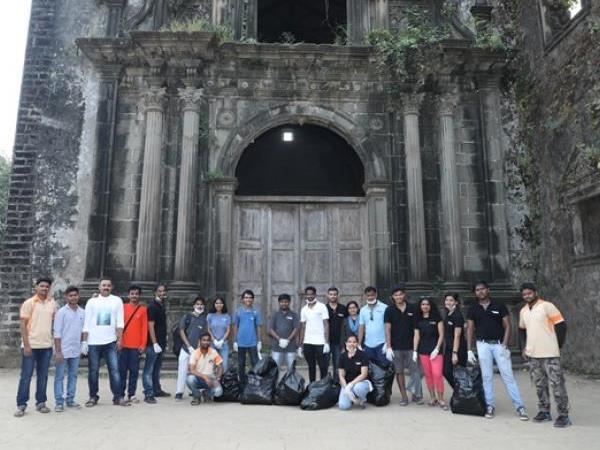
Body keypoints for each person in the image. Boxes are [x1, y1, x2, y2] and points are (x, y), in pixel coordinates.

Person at [467, 280, 528, 420]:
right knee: (487, 377)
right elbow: (470, 329)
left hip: (499, 344)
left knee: (508, 376)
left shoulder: (499, 305)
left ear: (488, 290)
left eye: (482, 289)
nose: (480, 292)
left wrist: (505, 346)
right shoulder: (473, 308)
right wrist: (470, 350)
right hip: (482, 345)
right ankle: (490, 405)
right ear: (475, 293)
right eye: (477, 290)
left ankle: (520, 407)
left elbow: (507, 326)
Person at [518, 282, 571, 427]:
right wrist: (524, 347)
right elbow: (521, 330)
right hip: (533, 354)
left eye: (529, 293)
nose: (527, 296)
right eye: (524, 294)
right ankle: (544, 411)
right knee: (540, 384)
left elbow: (561, 325)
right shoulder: (523, 311)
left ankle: (563, 415)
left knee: (557, 384)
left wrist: (557, 345)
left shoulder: (547, 306)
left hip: (550, 354)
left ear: (535, 292)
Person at [81, 279, 129, 407]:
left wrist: (119, 339)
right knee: (93, 370)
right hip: (93, 341)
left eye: (108, 285)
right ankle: (93, 396)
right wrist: (84, 341)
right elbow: (86, 323)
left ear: (111, 287)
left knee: (114, 370)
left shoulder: (117, 301)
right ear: (99, 287)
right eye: (103, 285)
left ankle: (118, 397)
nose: (106, 287)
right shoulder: (92, 302)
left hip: (110, 341)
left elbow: (120, 322)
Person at [15, 278, 57, 417]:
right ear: (36, 287)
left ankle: (41, 403)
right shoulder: (29, 303)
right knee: (26, 376)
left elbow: (55, 323)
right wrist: (26, 345)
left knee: (43, 376)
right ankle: (21, 405)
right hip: (31, 346)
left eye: (46, 286)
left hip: (46, 346)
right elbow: (22, 325)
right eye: (42, 286)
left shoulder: (52, 303)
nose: (44, 288)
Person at [383, 284, 423, 406]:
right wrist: (389, 346)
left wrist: (416, 349)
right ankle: (404, 397)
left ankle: (416, 394)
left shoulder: (413, 308)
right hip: (396, 347)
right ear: (392, 297)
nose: (398, 296)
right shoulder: (389, 310)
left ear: (404, 295)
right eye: (396, 295)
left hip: (411, 346)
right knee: (399, 372)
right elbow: (387, 329)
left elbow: (416, 329)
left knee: (416, 372)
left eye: (400, 294)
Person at [53, 285, 85, 412]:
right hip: (63, 350)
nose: (73, 297)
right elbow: (57, 333)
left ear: (78, 296)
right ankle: (59, 402)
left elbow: (83, 331)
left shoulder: (83, 312)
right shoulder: (61, 312)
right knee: (59, 376)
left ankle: (70, 400)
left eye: (75, 295)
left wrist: (83, 345)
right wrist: (58, 351)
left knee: (73, 376)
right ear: (66, 297)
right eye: (70, 295)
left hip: (76, 350)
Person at [413, 297, 447, 409]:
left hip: (436, 352)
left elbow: (441, 335)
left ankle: (441, 398)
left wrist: (437, 348)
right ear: (420, 306)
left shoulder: (437, 319)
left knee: (437, 374)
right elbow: (416, 336)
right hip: (423, 351)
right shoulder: (418, 320)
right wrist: (414, 351)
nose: (425, 306)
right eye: (423, 304)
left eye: (427, 304)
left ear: (430, 306)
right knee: (428, 375)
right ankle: (433, 398)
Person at [175, 296, 208, 401]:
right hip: (185, 348)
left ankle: (195, 391)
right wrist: (189, 346)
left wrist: (198, 348)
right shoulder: (187, 317)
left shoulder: (204, 320)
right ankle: (179, 392)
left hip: (198, 350)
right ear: (194, 306)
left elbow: (203, 335)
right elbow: (181, 331)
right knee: (182, 370)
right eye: (198, 304)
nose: (199, 306)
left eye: (201, 304)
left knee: (197, 371)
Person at [118, 285, 147, 404]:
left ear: (139, 295)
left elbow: (144, 328)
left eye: (136, 294)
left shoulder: (143, 310)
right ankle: (120, 394)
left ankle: (132, 394)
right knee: (122, 371)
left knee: (134, 371)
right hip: (123, 345)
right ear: (128, 295)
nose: (134, 296)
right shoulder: (122, 307)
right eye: (132, 293)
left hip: (136, 346)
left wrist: (143, 344)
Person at [143, 283, 169, 403]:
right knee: (149, 369)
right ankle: (148, 393)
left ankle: (156, 389)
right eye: (160, 291)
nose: (162, 293)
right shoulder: (152, 306)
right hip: (154, 343)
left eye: (164, 291)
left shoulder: (161, 305)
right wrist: (154, 343)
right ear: (155, 292)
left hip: (161, 342)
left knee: (156, 368)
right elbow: (150, 325)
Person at [298, 286, 330, 383]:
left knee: (322, 366)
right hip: (308, 342)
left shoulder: (322, 306)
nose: (310, 296)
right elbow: (303, 327)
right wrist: (300, 345)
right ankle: (312, 387)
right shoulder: (304, 309)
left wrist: (326, 342)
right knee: (311, 366)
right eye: (308, 294)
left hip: (320, 342)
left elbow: (326, 324)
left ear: (315, 295)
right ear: (305, 295)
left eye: (312, 294)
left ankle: (323, 387)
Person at [232, 289, 262, 383]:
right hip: (241, 342)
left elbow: (258, 327)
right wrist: (235, 341)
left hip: (253, 342)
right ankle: (242, 382)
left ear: (253, 299)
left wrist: (259, 341)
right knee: (241, 364)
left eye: (250, 297)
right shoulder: (238, 312)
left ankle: (255, 382)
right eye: (246, 297)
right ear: (242, 299)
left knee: (255, 363)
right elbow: (235, 326)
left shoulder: (256, 312)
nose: (248, 299)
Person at [186, 332, 224, 405]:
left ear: (210, 342)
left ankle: (206, 393)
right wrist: (205, 377)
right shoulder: (195, 353)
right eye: (204, 340)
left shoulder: (214, 352)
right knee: (190, 379)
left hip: (210, 379)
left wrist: (217, 378)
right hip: (198, 378)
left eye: (208, 340)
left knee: (219, 392)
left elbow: (220, 367)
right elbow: (192, 370)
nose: (206, 342)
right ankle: (196, 396)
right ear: (200, 341)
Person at [338, 335, 372, 410]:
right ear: (346, 343)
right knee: (343, 406)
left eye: (354, 342)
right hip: (347, 384)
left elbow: (364, 374)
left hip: (360, 383)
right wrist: (346, 388)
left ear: (357, 344)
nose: (352, 344)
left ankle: (362, 399)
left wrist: (351, 384)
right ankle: (352, 397)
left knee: (358, 388)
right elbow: (341, 375)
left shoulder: (363, 355)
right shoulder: (342, 356)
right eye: (349, 342)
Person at [442, 292, 467, 389]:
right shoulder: (448, 314)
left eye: (451, 300)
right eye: (447, 300)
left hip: (458, 349)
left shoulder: (457, 316)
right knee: (446, 371)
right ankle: (459, 392)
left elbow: (457, 335)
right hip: (449, 348)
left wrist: (455, 353)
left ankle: (464, 394)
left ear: (456, 302)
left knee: (460, 374)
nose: (448, 302)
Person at [269, 293, 299, 371]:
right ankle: (275, 383)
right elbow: (271, 329)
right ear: (279, 303)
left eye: (286, 302)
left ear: (289, 302)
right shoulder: (275, 315)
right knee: (275, 369)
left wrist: (288, 340)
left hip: (291, 347)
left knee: (291, 369)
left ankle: (290, 383)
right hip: (277, 347)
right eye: (282, 302)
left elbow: (296, 329)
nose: (284, 303)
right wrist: (280, 339)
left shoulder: (294, 315)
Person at [358, 286, 388, 366]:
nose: (370, 297)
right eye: (368, 295)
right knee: (370, 368)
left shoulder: (384, 308)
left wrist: (388, 343)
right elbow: (361, 327)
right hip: (368, 345)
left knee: (384, 367)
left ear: (376, 295)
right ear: (365, 296)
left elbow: (388, 326)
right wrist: (359, 343)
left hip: (382, 344)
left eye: (372, 295)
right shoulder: (363, 310)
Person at [325, 287, 347, 383]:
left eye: (335, 294)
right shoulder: (323, 308)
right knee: (324, 364)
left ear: (338, 295)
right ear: (327, 295)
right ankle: (325, 384)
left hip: (339, 342)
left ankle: (336, 384)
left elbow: (346, 325)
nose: (333, 296)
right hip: (326, 342)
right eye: (331, 294)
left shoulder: (343, 308)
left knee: (337, 364)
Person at [207, 296, 231, 371]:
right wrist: (214, 340)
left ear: (223, 304)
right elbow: (208, 329)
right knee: (211, 366)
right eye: (217, 303)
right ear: (214, 304)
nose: (219, 305)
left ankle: (221, 381)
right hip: (212, 343)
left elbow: (228, 330)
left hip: (223, 343)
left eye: (220, 303)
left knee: (224, 365)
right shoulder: (210, 316)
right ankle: (212, 382)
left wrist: (222, 341)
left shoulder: (227, 316)